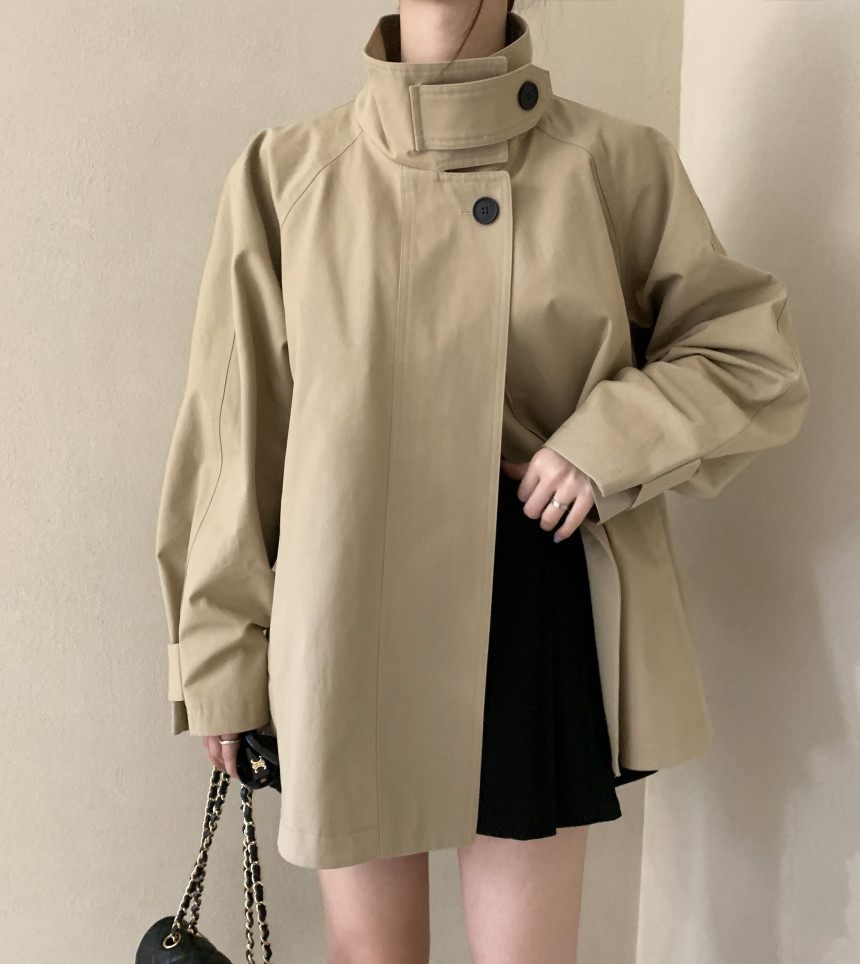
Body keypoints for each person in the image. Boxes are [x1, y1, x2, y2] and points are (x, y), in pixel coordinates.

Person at [155, 0, 810, 960]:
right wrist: (219, 656)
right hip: (341, 605)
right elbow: (232, 435)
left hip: (529, 597)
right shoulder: (285, 174)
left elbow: (750, 352)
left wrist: (605, 444)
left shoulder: (614, 163)